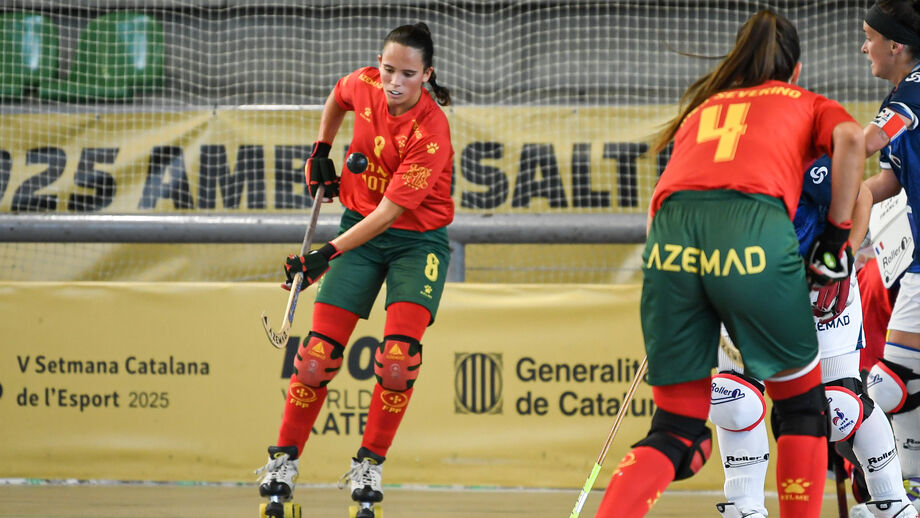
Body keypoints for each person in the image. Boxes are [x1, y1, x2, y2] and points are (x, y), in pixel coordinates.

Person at [594, 10, 865, 518]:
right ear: (797, 69)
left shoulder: (706, 105)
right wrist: (833, 243)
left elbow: (661, 200)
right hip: (750, 227)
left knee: (676, 431)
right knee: (803, 409)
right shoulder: (805, 102)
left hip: (671, 240)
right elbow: (852, 141)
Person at [254, 22, 454, 518]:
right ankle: (282, 461)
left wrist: (324, 254)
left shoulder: (432, 132)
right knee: (317, 356)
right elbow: (337, 98)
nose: (393, 82)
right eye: (388, 69)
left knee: (397, 360)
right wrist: (322, 149)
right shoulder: (363, 84)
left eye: (408, 74)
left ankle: (369, 465)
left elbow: (390, 213)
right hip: (358, 225)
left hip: (416, 240)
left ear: (426, 75)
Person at [712, 155, 917, 518]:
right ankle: (744, 507)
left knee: (840, 406)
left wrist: (846, 257)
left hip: (819, 282)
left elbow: (861, 196)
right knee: (735, 400)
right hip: (745, 284)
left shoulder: (797, 149)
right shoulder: (711, 155)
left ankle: (893, 503)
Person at [859, 0, 920, 510]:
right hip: (917, 262)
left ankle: (897, 494)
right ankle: (909, 488)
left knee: (888, 383)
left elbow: (870, 140)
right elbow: (890, 178)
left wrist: (794, 157)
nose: (864, 47)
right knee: (899, 382)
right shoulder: (902, 91)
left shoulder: (914, 91)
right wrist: (844, 203)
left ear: (895, 45)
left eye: (870, 37)